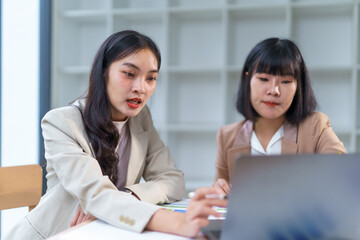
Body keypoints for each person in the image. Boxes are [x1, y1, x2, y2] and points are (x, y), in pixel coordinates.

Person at [5, 30, 227, 240]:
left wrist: (129, 196)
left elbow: (173, 180)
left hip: (109, 231)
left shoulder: (140, 118)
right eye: (129, 74)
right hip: (60, 234)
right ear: (103, 72)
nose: (140, 87)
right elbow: (97, 194)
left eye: (151, 78)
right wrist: (178, 223)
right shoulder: (61, 122)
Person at [213, 38, 347, 195]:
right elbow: (218, 199)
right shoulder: (227, 136)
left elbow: (342, 175)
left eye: (285, 81)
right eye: (263, 79)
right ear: (247, 79)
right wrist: (219, 189)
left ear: (298, 86)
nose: (274, 90)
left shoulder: (315, 127)